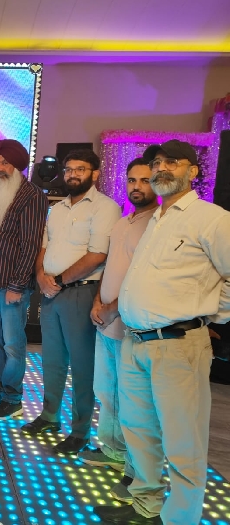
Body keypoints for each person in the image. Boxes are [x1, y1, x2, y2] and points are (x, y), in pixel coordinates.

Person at [95, 140, 230, 525]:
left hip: (178, 345)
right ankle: (146, 506)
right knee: (139, 431)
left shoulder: (212, 219)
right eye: (156, 163)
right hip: (135, 341)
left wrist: (209, 313)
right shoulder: (156, 218)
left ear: (193, 171)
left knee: (183, 441)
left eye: (173, 162)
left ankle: (179, 519)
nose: (162, 168)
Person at [21, 149, 120, 454]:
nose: (72, 174)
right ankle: (49, 416)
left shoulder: (106, 208)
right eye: (68, 170)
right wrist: (41, 276)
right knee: (51, 360)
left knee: (81, 365)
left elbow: (98, 255)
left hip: (80, 292)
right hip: (50, 292)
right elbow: (44, 246)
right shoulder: (57, 209)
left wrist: (59, 280)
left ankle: (80, 431)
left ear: (95, 173)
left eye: (80, 169)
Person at [79, 158, 156, 503]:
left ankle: (137, 471)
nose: (136, 186)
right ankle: (112, 449)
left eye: (144, 180)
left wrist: (112, 308)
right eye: (132, 180)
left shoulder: (157, 224)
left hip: (131, 325)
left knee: (135, 401)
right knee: (106, 389)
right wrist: (99, 300)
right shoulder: (124, 222)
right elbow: (112, 267)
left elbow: (141, 278)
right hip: (106, 321)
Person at [0, 140, 48, 418]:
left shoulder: (32, 195)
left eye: (5, 163)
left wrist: (17, 285)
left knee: (13, 344)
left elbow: (30, 245)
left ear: (17, 166)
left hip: (11, 286)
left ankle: (13, 398)